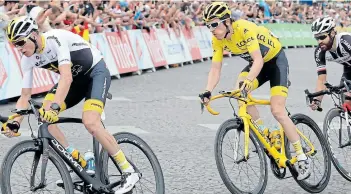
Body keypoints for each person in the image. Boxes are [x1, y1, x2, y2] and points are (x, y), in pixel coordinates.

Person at [2, 16, 139, 194]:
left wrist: (55, 108)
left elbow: (66, 77)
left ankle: (128, 171)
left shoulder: (54, 39)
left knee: (90, 122)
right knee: (43, 118)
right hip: (75, 82)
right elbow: (25, 95)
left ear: (34, 35)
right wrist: (15, 121)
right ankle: (79, 162)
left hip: (94, 74)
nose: (19, 49)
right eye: (15, 45)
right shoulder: (27, 59)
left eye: (21, 42)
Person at [198, 2, 311, 180]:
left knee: (278, 110)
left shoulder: (244, 28)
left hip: (275, 62)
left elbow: (258, 60)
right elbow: (215, 69)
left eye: (214, 24)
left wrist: (249, 81)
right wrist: (207, 90)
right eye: (207, 25)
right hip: (257, 65)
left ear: (227, 21)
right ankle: (266, 132)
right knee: (238, 92)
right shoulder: (217, 39)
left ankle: (302, 156)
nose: (211, 29)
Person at [309, 17, 351, 111]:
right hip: (349, 69)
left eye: (322, 37)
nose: (319, 41)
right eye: (317, 38)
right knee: (345, 101)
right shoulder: (320, 52)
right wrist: (317, 100)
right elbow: (321, 80)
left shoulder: (346, 41)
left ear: (332, 33)